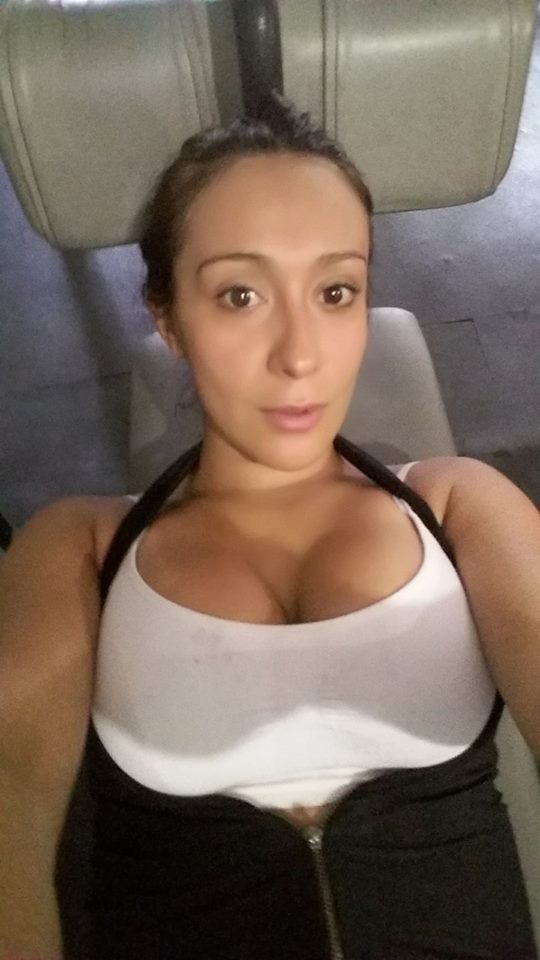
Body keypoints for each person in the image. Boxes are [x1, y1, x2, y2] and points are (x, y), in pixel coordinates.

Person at [1, 90, 539, 960]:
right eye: (240, 294)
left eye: (336, 290)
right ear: (168, 317)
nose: (300, 355)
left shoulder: (460, 507)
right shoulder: (78, 547)